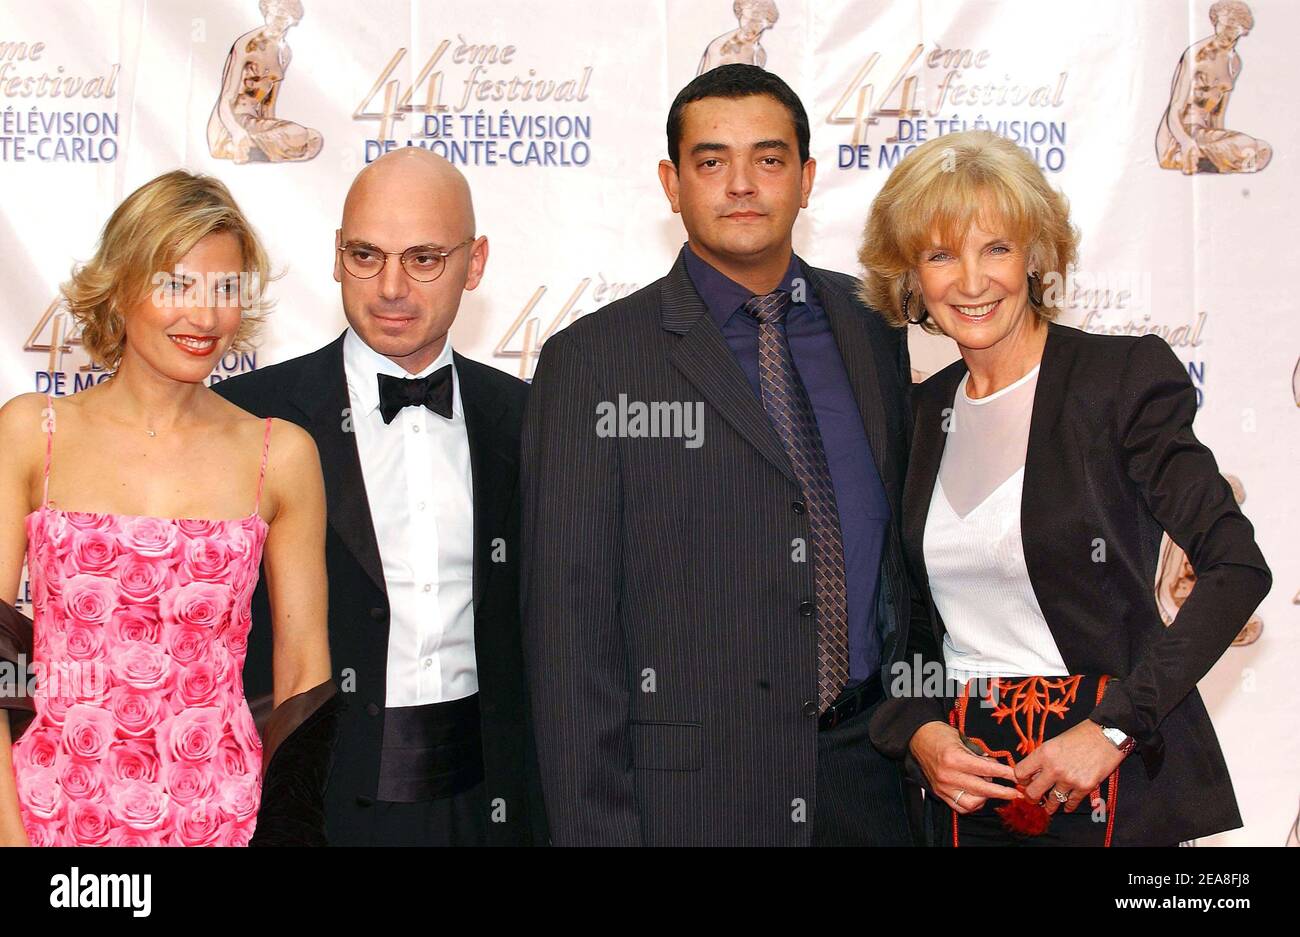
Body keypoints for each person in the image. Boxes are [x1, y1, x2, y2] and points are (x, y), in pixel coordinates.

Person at [522, 64, 915, 846]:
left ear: (806, 179)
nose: (742, 183)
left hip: (872, 780)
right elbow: (568, 637)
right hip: (692, 803)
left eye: (768, 160)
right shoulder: (594, 361)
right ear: (672, 183)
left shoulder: (876, 328)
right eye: (711, 161)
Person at [860, 131, 1272, 846]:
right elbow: (911, 622)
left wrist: (1115, 725)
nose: (972, 279)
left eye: (996, 247)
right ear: (911, 277)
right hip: (966, 796)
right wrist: (920, 728)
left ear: (1034, 256)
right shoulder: (922, 415)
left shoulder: (1118, 381)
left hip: (1105, 787)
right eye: (940, 254)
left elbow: (1236, 566)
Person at [214, 148, 546, 846]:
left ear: (475, 262)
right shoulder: (247, 416)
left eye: (424, 258)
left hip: (488, 801)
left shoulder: (530, 419)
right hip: (306, 801)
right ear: (336, 256)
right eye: (366, 255)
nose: (390, 285)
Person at [0, 170, 337, 847]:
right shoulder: (31, 432)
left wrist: (280, 834)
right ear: (121, 288)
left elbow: (304, 677)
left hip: (222, 822)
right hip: (52, 821)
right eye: (176, 284)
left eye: (225, 288)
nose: (205, 315)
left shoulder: (281, 454)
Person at [1155, 0, 1271, 174]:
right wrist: (1186, 141)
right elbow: (1176, 106)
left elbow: (1218, 113)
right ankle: (1187, 156)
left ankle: (1203, 160)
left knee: (1263, 148)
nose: (1224, 32)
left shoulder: (1235, 63)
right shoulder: (1196, 55)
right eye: (1222, 25)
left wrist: (1222, 145)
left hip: (1203, 134)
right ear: (1215, 22)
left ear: (1243, 30)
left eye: (1232, 28)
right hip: (1178, 136)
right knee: (1245, 146)